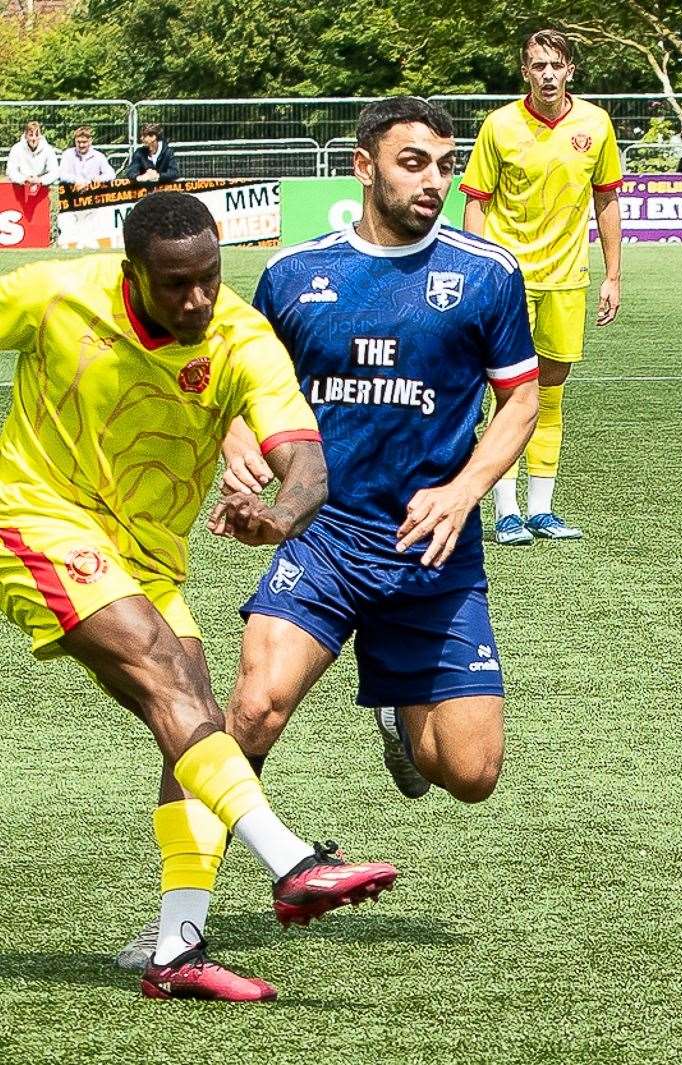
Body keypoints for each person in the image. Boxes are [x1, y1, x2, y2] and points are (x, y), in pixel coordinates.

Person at [112, 98, 540, 977]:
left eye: (444, 165)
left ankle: (396, 707)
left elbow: (521, 400)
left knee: (470, 772)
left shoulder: (489, 274)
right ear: (364, 165)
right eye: (414, 162)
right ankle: (177, 926)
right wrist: (240, 459)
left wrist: (464, 492)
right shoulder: (295, 274)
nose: (434, 180)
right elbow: (230, 383)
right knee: (246, 711)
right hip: (326, 539)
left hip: (433, 554)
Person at [0, 191, 403, 1002]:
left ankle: (176, 952)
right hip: (34, 515)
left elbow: (308, 466)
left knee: (193, 721)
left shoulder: (241, 336)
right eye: (174, 284)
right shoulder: (53, 294)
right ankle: (293, 861)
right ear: (131, 273)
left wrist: (280, 516)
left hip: (148, 556)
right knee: (160, 670)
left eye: (208, 280)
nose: (195, 299)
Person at [460, 27, 623, 546]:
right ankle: (505, 510)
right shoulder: (500, 125)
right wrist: (477, 271)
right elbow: (476, 201)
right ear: (524, 72)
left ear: (569, 70)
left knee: (550, 394)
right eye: (537, 66)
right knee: (508, 394)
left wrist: (613, 275)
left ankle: (542, 510)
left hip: (567, 280)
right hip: (508, 280)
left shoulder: (596, 124)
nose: (547, 74)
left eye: (555, 65)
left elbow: (607, 200)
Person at [6, 121, 58, 202]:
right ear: (26, 135)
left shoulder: (48, 149)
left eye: (36, 135)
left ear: (40, 136)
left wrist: (40, 180)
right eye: (31, 135)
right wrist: (23, 179)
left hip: (41, 187)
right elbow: (11, 171)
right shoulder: (16, 148)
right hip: (19, 186)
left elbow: (54, 172)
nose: (34, 138)